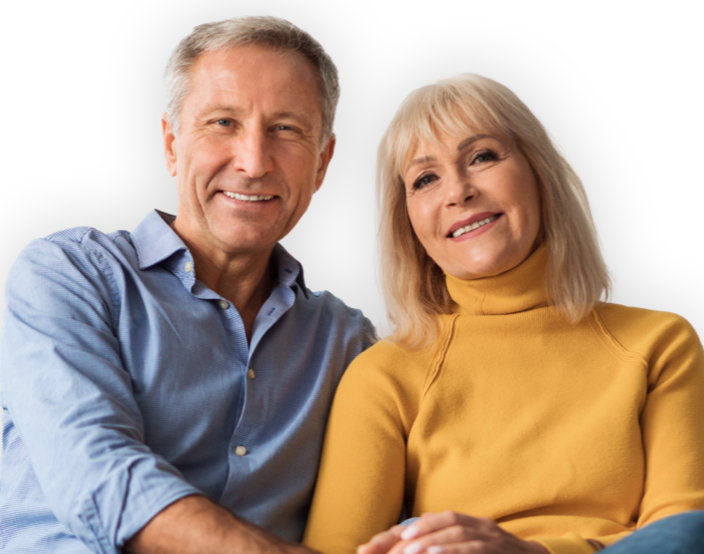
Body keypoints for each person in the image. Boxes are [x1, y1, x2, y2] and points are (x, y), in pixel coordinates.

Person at [0, 13, 374, 554]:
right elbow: (100, 477)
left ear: (322, 163)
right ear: (171, 144)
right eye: (223, 122)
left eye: (286, 129)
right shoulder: (69, 274)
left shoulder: (349, 343)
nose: (252, 162)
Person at [302, 71, 704, 553]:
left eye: (482, 157)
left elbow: (681, 531)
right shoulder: (383, 377)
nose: (457, 191)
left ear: (539, 172)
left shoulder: (659, 341)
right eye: (426, 178)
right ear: (406, 224)